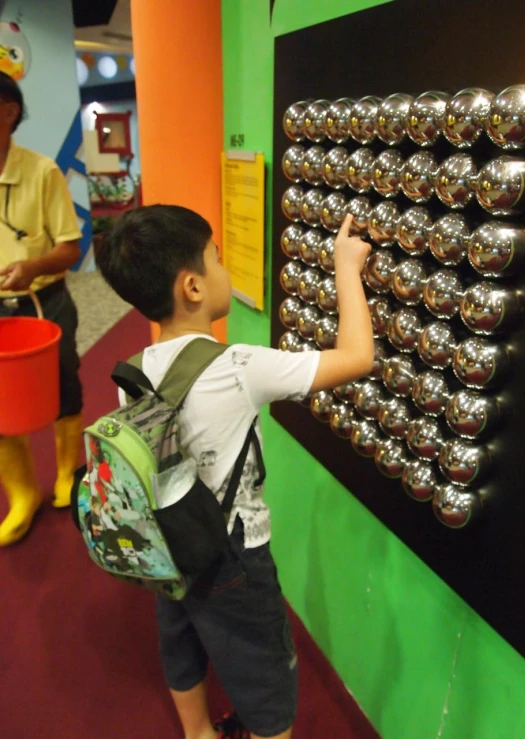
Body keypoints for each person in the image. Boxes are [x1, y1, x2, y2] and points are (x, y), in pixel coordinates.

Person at [95, 204, 374, 739]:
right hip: (232, 556)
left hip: (168, 546)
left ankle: (199, 732)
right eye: (217, 259)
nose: (224, 270)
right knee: (264, 672)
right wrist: (345, 265)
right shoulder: (239, 366)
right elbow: (357, 357)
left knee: (180, 640)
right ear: (193, 287)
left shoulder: (135, 369)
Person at [0, 71, 83, 546]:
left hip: (45, 301)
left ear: (9, 112)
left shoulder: (42, 172)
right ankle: (21, 495)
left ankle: (65, 477)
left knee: (62, 386)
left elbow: (70, 248)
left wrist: (33, 268)